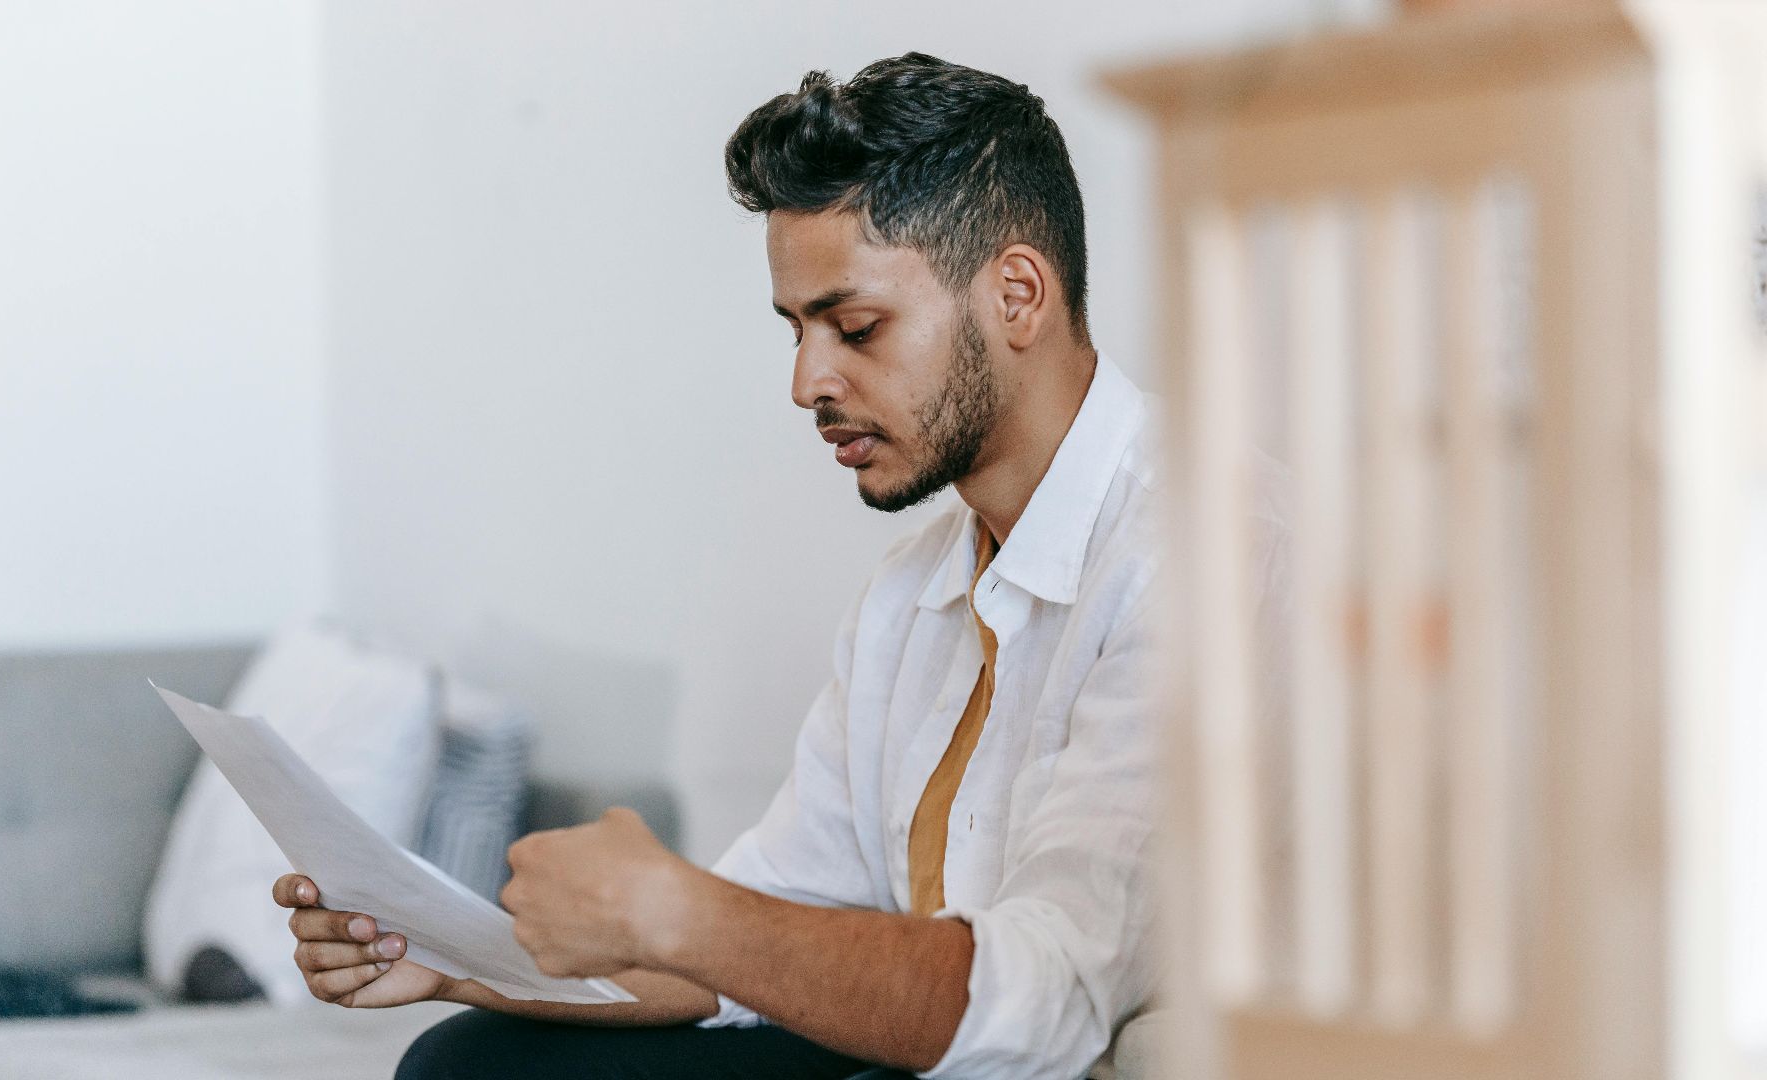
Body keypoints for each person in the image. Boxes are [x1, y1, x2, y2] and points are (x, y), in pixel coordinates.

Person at [275, 52, 1276, 1079]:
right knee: (470, 1064)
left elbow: (1049, 1004)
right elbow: (757, 938)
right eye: (797, 331)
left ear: (1017, 295)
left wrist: (686, 912)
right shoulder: (910, 596)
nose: (807, 382)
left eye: (855, 327)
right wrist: (448, 957)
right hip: (927, 1053)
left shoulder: (1202, 552)